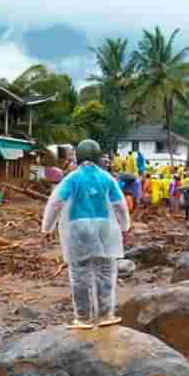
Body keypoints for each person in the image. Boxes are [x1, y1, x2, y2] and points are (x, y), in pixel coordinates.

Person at [40, 139, 130, 329]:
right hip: (104, 227)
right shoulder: (107, 178)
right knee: (105, 272)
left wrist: (47, 228)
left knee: (79, 273)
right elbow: (119, 205)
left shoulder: (72, 179)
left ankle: (83, 318)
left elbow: (56, 203)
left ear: (78, 157)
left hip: (78, 227)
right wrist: (124, 227)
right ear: (98, 158)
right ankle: (106, 315)